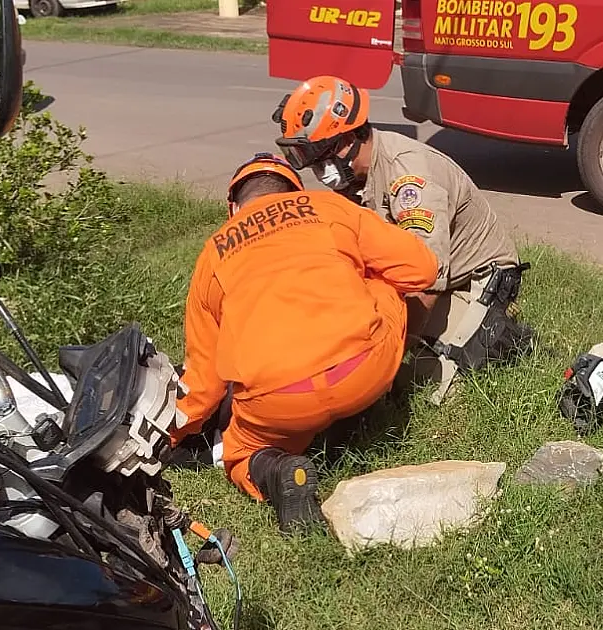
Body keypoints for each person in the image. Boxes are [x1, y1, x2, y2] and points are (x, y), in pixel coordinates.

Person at [170, 153, 439, 532]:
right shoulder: (328, 206)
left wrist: (170, 435)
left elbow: (205, 382)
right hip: (363, 371)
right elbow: (422, 269)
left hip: (279, 401)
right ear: (296, 192)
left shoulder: (212, 255)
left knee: (240, 455)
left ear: (232, 207)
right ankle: (364, 413)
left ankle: (276, 469)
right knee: (385, 284)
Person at [271, 76, 535, 405]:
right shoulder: (357, 177)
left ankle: (508, 338)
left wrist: (391, 353)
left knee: (427, 386)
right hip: (421, 273)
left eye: (323, 156)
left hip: (472, 278)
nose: (320, 170)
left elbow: (427, 279)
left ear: (350, 139)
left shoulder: (409, 177)